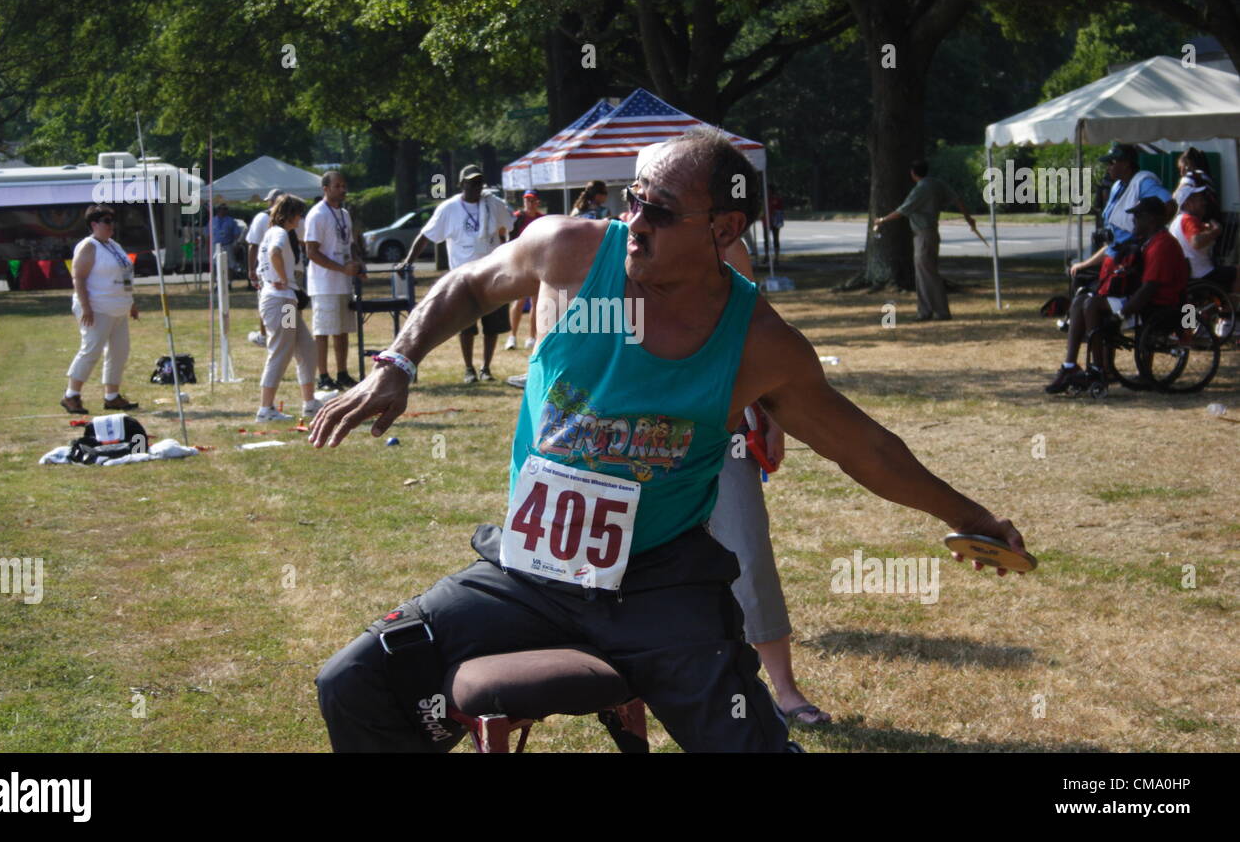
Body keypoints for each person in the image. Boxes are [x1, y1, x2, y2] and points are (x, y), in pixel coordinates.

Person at [310, 128, 1027, 753]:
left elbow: (863, 448)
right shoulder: (572, 250)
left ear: (723, 230)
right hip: (528, 574)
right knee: (355, 681)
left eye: (659, 210)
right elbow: (469, 283)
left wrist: (970, 518)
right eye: (632, 200)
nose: (634, 221)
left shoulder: (759, 344)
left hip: (658, 587)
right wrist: (398, 364)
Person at [709, 237, 830, 727]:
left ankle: (784, 688)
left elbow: (761, 332)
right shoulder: (623, 247)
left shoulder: (727, 247)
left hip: (725, 430)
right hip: (643, 437)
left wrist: (774, 414)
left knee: (748, 553)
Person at [1045, 196, 1188, 393]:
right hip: (1141, 298)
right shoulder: (1146, 241)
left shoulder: (1162, 245)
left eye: (1138, 217)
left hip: (1156, 305)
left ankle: (1098, 370)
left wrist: (1121, 314)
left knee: (1092, 305)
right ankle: (1070, 366)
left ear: (1152, 220)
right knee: (1080, 301)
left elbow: (1148, 290)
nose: (1133, 221)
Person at [396, 165, 514, 382]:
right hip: (463, 278)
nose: (476, 187)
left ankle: (486, 368)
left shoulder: (492, 204)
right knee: (466, 327)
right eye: (471, 183)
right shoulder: (448, 208)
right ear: (461, 184)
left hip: (492, 273)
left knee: (492, 326)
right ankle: (469, 369)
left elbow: (510, 228)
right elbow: (425, 236)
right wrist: (408, 261)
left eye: (479, 183)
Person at [872, 160, 978, 321]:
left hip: (923, 234)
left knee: (927, 274)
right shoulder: (937, 184)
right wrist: (968, 217)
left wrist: (882, 220)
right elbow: (957, 199)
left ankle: (935, 311)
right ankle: (928, 310)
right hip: (931, 233)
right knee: (926, 273)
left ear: (913, 173)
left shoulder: (921, 189)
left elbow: (903, 210)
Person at [61, 205, 140, 414]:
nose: (111, 225)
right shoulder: (88, 246)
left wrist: (130, 302)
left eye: (112, 221)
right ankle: (71, 395)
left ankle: (112, 396)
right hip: (97, 307)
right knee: (91, 350)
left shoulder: (114, 245)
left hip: (118, 308)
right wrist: (86, 307)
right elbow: (78, 277)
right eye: (106, 221)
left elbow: (125, 275)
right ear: (94, 224)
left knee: (119, 351)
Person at [256, 195, 320, 422]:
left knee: (306, 348)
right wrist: (283, 278)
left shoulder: (273, 232)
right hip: (281, 302)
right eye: (299, 214)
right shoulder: (280, 233)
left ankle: (310, 403)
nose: (301, 219)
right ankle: (265, 409)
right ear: (291, 214)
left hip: (284, 302)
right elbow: (274, 253)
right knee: (281, 352)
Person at [305, 171, 364, 392]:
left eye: (344, 185)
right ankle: (323, 376)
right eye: (337, 186)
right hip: (323, 284)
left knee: (342, 330)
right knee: (323, 331)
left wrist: (357, 263)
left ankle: (342, 373)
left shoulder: (344, 214)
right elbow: (311, 252)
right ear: (325, 189)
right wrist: (342, 268)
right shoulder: (317, 214)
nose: (342, 189)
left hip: (343, 282)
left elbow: (349, 245)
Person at [1170, 171, 1237, 292]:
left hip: (1189, 274)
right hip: (1202, 274)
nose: (1203, 202)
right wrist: (1215, 231)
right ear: (1188, 203)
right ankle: (1233, 305)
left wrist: (1206, 230)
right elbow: (1196, 241)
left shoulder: (1177, 222)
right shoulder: (1188, 220)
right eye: (1199, 199)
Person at [505, 190, 544, 351]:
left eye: (532, 200)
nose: (529, 203)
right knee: (519, 300)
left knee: (535, 302)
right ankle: (512, 336)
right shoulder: (518, 217)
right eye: (527, 200)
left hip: (537, 263)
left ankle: (532, 337)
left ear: (537, 202)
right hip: (520, 263)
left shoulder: (542, 219)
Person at [246, 188, 284, 348]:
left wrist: (251, 269)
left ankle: (267, 335)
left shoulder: (263, 219)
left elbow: (254, 246)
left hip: (272, 275)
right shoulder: (294, 220)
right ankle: (286, 333)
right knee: (287, 305)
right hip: (286, 277)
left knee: (268, 305)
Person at [211, 204, 242, 280]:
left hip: (228, 245)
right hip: (216, 246)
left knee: (230, 264)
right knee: (216, 264)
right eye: (222, 209)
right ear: (218, 210)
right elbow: (208, 235)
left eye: (225, 209)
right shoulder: (212, 221)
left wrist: (235, 245)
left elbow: (236, 234)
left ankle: (229, 282)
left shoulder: (231, 221)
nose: (224, 210)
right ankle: (217, 281)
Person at [764, 184, 785, 264]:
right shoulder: (765, 199)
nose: (767, 192)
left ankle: (776, 258)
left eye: (769, 190)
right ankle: (766, 256)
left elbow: (780, 210)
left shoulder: (777, 199)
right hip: (766, 221)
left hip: (775, 221)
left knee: (776, 239)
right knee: (766, 240)